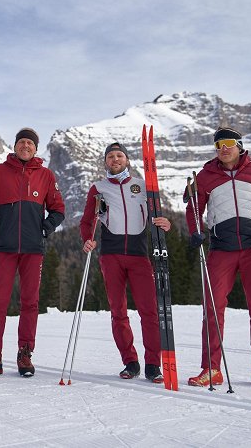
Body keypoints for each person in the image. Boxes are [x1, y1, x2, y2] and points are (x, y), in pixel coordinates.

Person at [185, 127, 251, 388]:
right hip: (221, 249)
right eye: (219, 144)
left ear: (240, 145)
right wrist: (195, 232)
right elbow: (194, 209)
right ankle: (211, 369)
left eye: (229, 143)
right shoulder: (205, 176)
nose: (224, 148)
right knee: (212, 309)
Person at [0, 127, 65, 377]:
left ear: (36, 148)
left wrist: (45, 229)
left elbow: (58, 210)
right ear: (15, 146)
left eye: (30, 143)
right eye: (21, 142)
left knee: (30, 303)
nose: (25, 146)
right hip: (5, 248)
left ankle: (25, 354)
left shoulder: (46, 175)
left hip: (33, 249)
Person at [79, 142, 170, 383]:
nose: (115, 159)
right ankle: (130, 362)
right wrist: (87, 240)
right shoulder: (98, 188)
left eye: (119, 155)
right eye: (110, 156)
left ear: (126, 160)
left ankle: (153, 364)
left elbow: (156, 215)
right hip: (111, 256)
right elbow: (87, 221)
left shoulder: (141, 185)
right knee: (118, 312)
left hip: (139, 255)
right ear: (105, 162)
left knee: (149, 311)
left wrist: (164, 223)